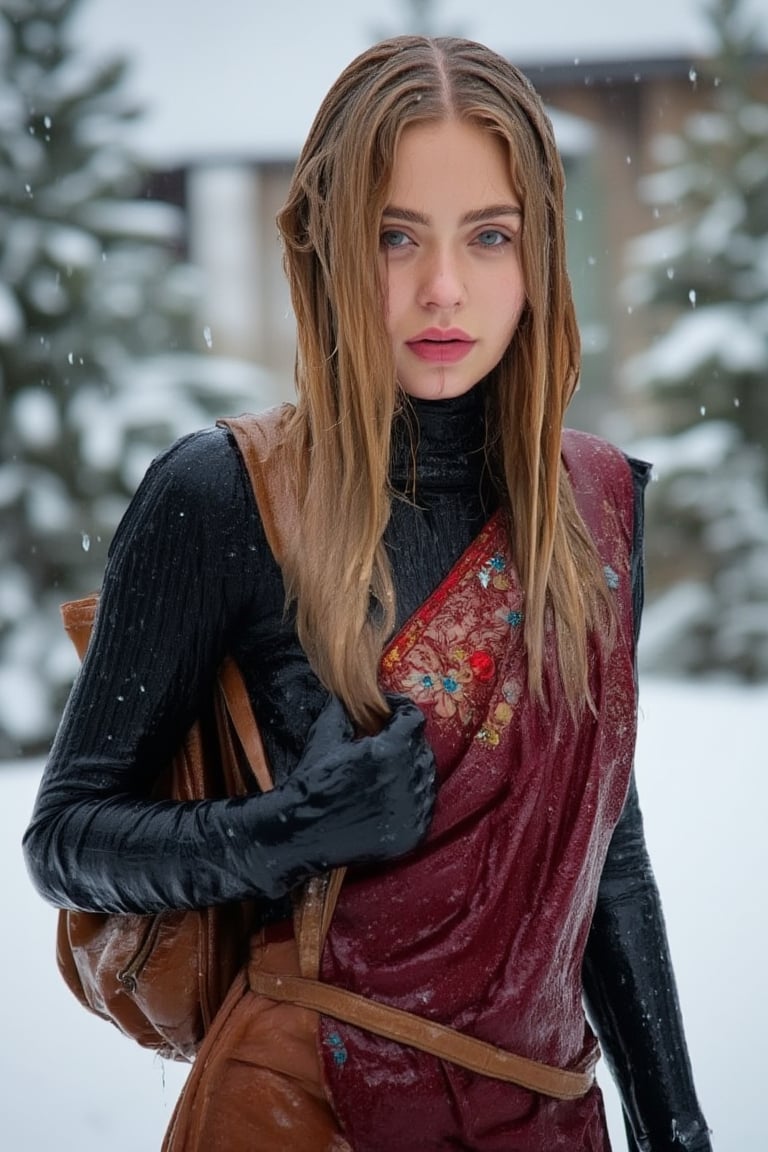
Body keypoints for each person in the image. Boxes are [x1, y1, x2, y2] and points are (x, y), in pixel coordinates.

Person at [23, 35, 712, 1152]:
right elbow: (66, 840)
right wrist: (293, 830)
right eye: (396, 236)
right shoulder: (224, 496)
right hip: (307, 1108)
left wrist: (674, 1118)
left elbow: (603, 846)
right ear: (327, 246)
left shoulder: (598, 507)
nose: (444, 288)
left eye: (490, 236)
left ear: (539, 249)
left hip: (542, 1114)